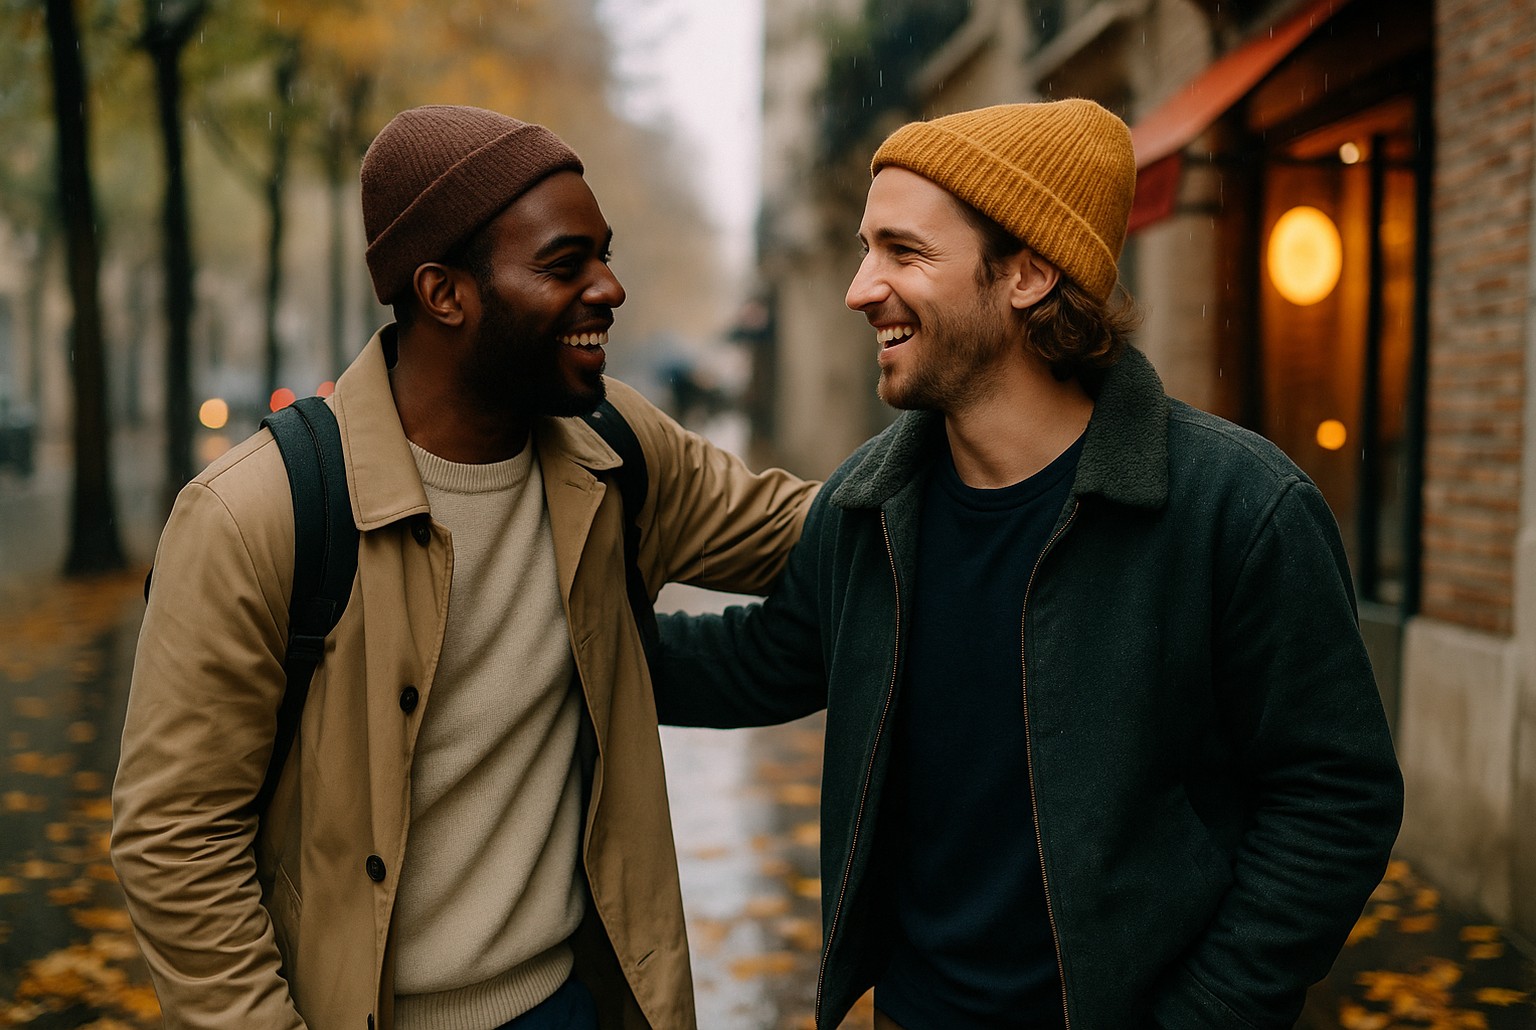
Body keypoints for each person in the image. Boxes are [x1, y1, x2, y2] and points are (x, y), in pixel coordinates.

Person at [653, 99, 1404, 1029]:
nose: (859, 287)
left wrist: (1206, 1013)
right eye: (863, 248)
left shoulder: (1239, 509)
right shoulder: (874, 503)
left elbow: (1335, 799)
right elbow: (763, 658)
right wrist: (543, 616)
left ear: (1029, 273)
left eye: (903, 251)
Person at [111, 105, 816, 1030]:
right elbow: (174, 842)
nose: (610, 288)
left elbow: (809, 534)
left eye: (604, 254)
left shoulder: (612, 447)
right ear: (445, 293)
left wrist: (980, 411)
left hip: (570, 1006)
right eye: (566, 265)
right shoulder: (255, 515)